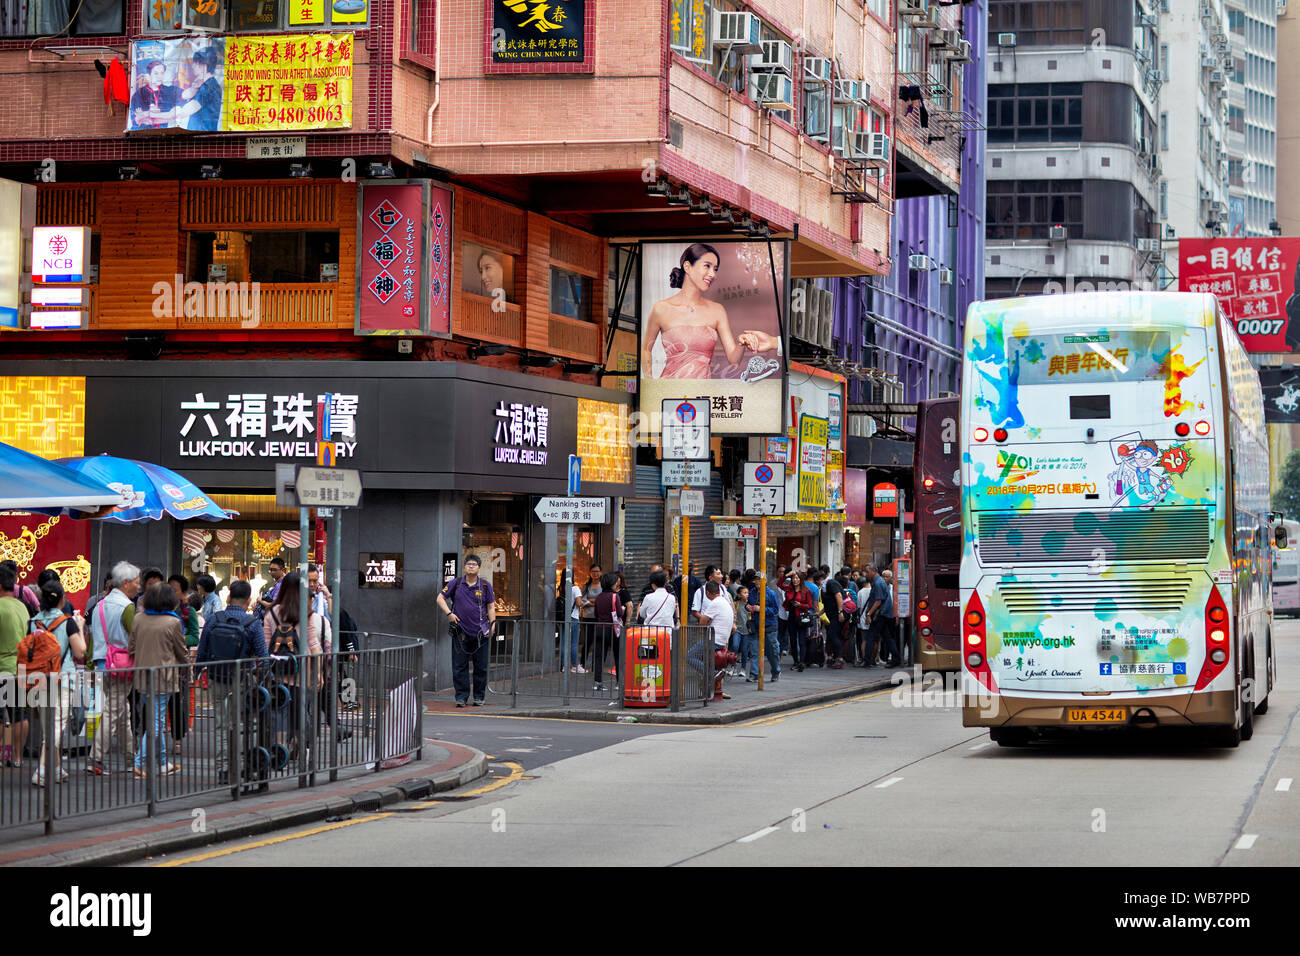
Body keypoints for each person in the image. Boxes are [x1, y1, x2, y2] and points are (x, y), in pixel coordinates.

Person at [642, 243, 780, 379]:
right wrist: (650, 383)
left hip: (703, 394)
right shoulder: (661, 308)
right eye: (707, 266)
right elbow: (645, 349)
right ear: (687, 267)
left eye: (715, 269)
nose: (712, 274)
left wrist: (741, 343)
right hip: (668, 391)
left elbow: (734, 359)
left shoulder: (717, 311)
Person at [196, 579, 268, 785]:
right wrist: (262, 678)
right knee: (246, 723)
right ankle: (245, 765)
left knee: (221, 724)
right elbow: (263, 656)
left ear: (228, 597)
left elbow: (202, 651)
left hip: (217, 676)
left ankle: (223, 769)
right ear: (248, 600)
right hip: (242, 679)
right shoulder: (252, 623)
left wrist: (197, 671)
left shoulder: (214, 620)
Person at [128, 582, 189, 778]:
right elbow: (182, 652)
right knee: (156, 724)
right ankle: (139, 763)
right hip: (164, 678)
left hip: (142, 678)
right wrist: (188, 669)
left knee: (155, 721)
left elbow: (131, 648)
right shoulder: (173, 622)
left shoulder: (138, 619)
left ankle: (163, 763)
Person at [29, 580, 85, 787]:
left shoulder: (33, 622)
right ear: (62, 599)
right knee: (56, 726)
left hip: (38, 680)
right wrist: (80, 628)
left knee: (49, 727)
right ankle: (42, 770)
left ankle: (56, 768)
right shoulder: (68, 622)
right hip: (63, 679)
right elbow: (80, 652)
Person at [88, 561, 141, 776]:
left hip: (102, 664)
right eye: (137, 582)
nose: (139, 586)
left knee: (121, 711)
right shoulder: (127, 607)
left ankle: (131, 757)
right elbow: (136, 638)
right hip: (121, 666)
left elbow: (93, 638)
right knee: (113, 711)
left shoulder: (99, 604)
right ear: (126, 583)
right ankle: (96, 758)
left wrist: (91, 665)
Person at [263, 571, 324, 752]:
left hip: (276, 673)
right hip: (300, 673)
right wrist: (318, 673)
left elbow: (266, 645)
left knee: (278, 711)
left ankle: (281, 747)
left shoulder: (271, 613)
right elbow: (314, 646)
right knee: (298, 710)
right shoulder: (305, 613)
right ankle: (301, 744)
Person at [436, 555, 496, 707]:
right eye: (468, 564)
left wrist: (492, 625)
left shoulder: (485, 586)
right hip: (460, 632)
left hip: (481, 632)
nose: (470, 566)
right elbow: (439, 598)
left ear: (479, 568)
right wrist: (449, 614)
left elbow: (490, 606)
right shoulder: (455, 583)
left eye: (474, 564)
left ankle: (479, 697)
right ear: (464, 567)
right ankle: (461, 697)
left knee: (481, 667)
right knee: (459, 666)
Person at [0, 565, 31, 770]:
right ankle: (18, 756)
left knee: (0, 715)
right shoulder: (23, 606)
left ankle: (2, 756)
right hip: (22, 668)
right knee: (20, 714)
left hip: (2, 666)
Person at [693, 580, 735, 700]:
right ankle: (710, 690)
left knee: (689, 656)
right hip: (722, 640)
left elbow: (703, 620)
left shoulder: (715, 603)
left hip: (713, 640)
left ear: (707, 592)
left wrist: (702, 628)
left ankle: (712, 674)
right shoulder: (725, 602)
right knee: (705, 660)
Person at [744, 573, 782, 683]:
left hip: (769, 626)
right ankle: (754, 674)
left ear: (765, 581)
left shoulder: (771, 594)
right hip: (756, 626)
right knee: (754, 651)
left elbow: (775, 610)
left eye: (759, 580)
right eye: (756, 580)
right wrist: (748, 607)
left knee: (772, 652)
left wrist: (761, 609)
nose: (757, 582)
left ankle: (775, 672)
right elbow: (748, 605)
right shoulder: (752, 592)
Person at [590, 572, 623, 692]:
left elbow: (596, 614)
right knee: (618, 655)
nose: (617, 584)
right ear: (612, 584)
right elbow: (619, 613)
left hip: (600, 628)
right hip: (613, 629)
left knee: (599, 657)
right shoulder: (615, 597)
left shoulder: (598, 597)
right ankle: (619, 683)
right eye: (615, 582)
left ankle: (597, 682)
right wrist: (623, 609)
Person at [861, 565, 899, 668]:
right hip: (883, 614)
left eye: (867, 571)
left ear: (874, 571)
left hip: (880, 615)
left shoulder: (878, 583)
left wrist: (869, 614)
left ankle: (867, 661)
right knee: (887, 637)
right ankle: (896, 658)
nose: (866, 574)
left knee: (871, 637)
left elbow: (878, 601)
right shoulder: (878, 582)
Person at [176, 47, 221, 131]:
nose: (193, 66)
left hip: (202, 135)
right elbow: (185, 95)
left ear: (203, 65)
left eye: (195, 63)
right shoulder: (208, 84)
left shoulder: (208, 87)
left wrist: (169, 113)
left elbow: (187, 110)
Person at [131, 59, 179, 129]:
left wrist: (148, 114)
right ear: (149, 75)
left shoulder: (170, 91)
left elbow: (176, 115)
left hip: (167, 132)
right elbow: (137, 120)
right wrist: (165, 115)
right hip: (145, 134)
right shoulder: (139, 94)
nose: (160, 76)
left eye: (162, 73)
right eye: (156, 73)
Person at [783, 571, 814, 672]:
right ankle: (795, 661)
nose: (795, 580)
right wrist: (786, 575)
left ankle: (801, 662)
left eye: (797, 578)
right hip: (791, 617)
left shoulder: (806, 591)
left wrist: (800, 605)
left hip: (801, 618)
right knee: (792, 641)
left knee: (801, 641)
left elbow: (809, 605)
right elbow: (780, 584)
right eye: (793, 578)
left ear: (801, 580)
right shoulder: (789, 589)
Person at [821, 566, 847, 669]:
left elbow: (839, 596)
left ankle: (840, 658)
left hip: (838, 615)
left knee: (833, 634)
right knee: (832, 635)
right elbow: (828, 603)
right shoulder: (824, 588)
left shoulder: (831, 583)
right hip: (831, 615)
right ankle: (835, 658)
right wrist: (819, 613)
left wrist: (840, 612)